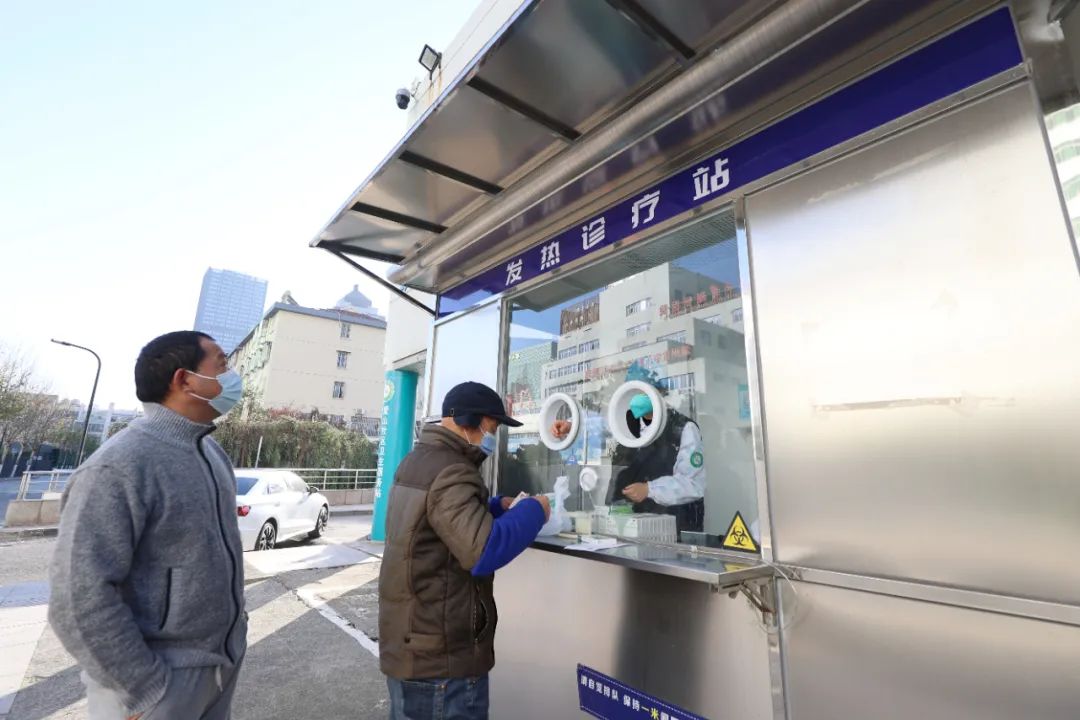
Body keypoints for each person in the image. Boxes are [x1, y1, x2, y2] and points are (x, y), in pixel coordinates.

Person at [49, 331, 247, 720]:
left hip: (220, 669)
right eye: (222, 364)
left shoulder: (212, 453)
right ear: (184, 379)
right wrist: (142, 685)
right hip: (155, 687)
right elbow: (77, 596)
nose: (233, 376)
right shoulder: (119, 465)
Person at [379, 381, 550, 720]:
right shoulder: (452, 470)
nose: (493, 437)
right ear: (477, 421)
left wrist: (494, 507)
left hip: (413, 643)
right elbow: (484, 550)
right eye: (493, 428)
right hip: (441, 659)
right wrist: (535, 510)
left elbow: (437, 524)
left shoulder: (418, 461)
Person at [552, 392, 705, 533]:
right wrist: (571, 426)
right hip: (626, 525)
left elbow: (693, 484)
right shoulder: (628, 421)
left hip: (670, 530)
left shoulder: (683, 429)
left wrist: (650, 489)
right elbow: (598, 425)